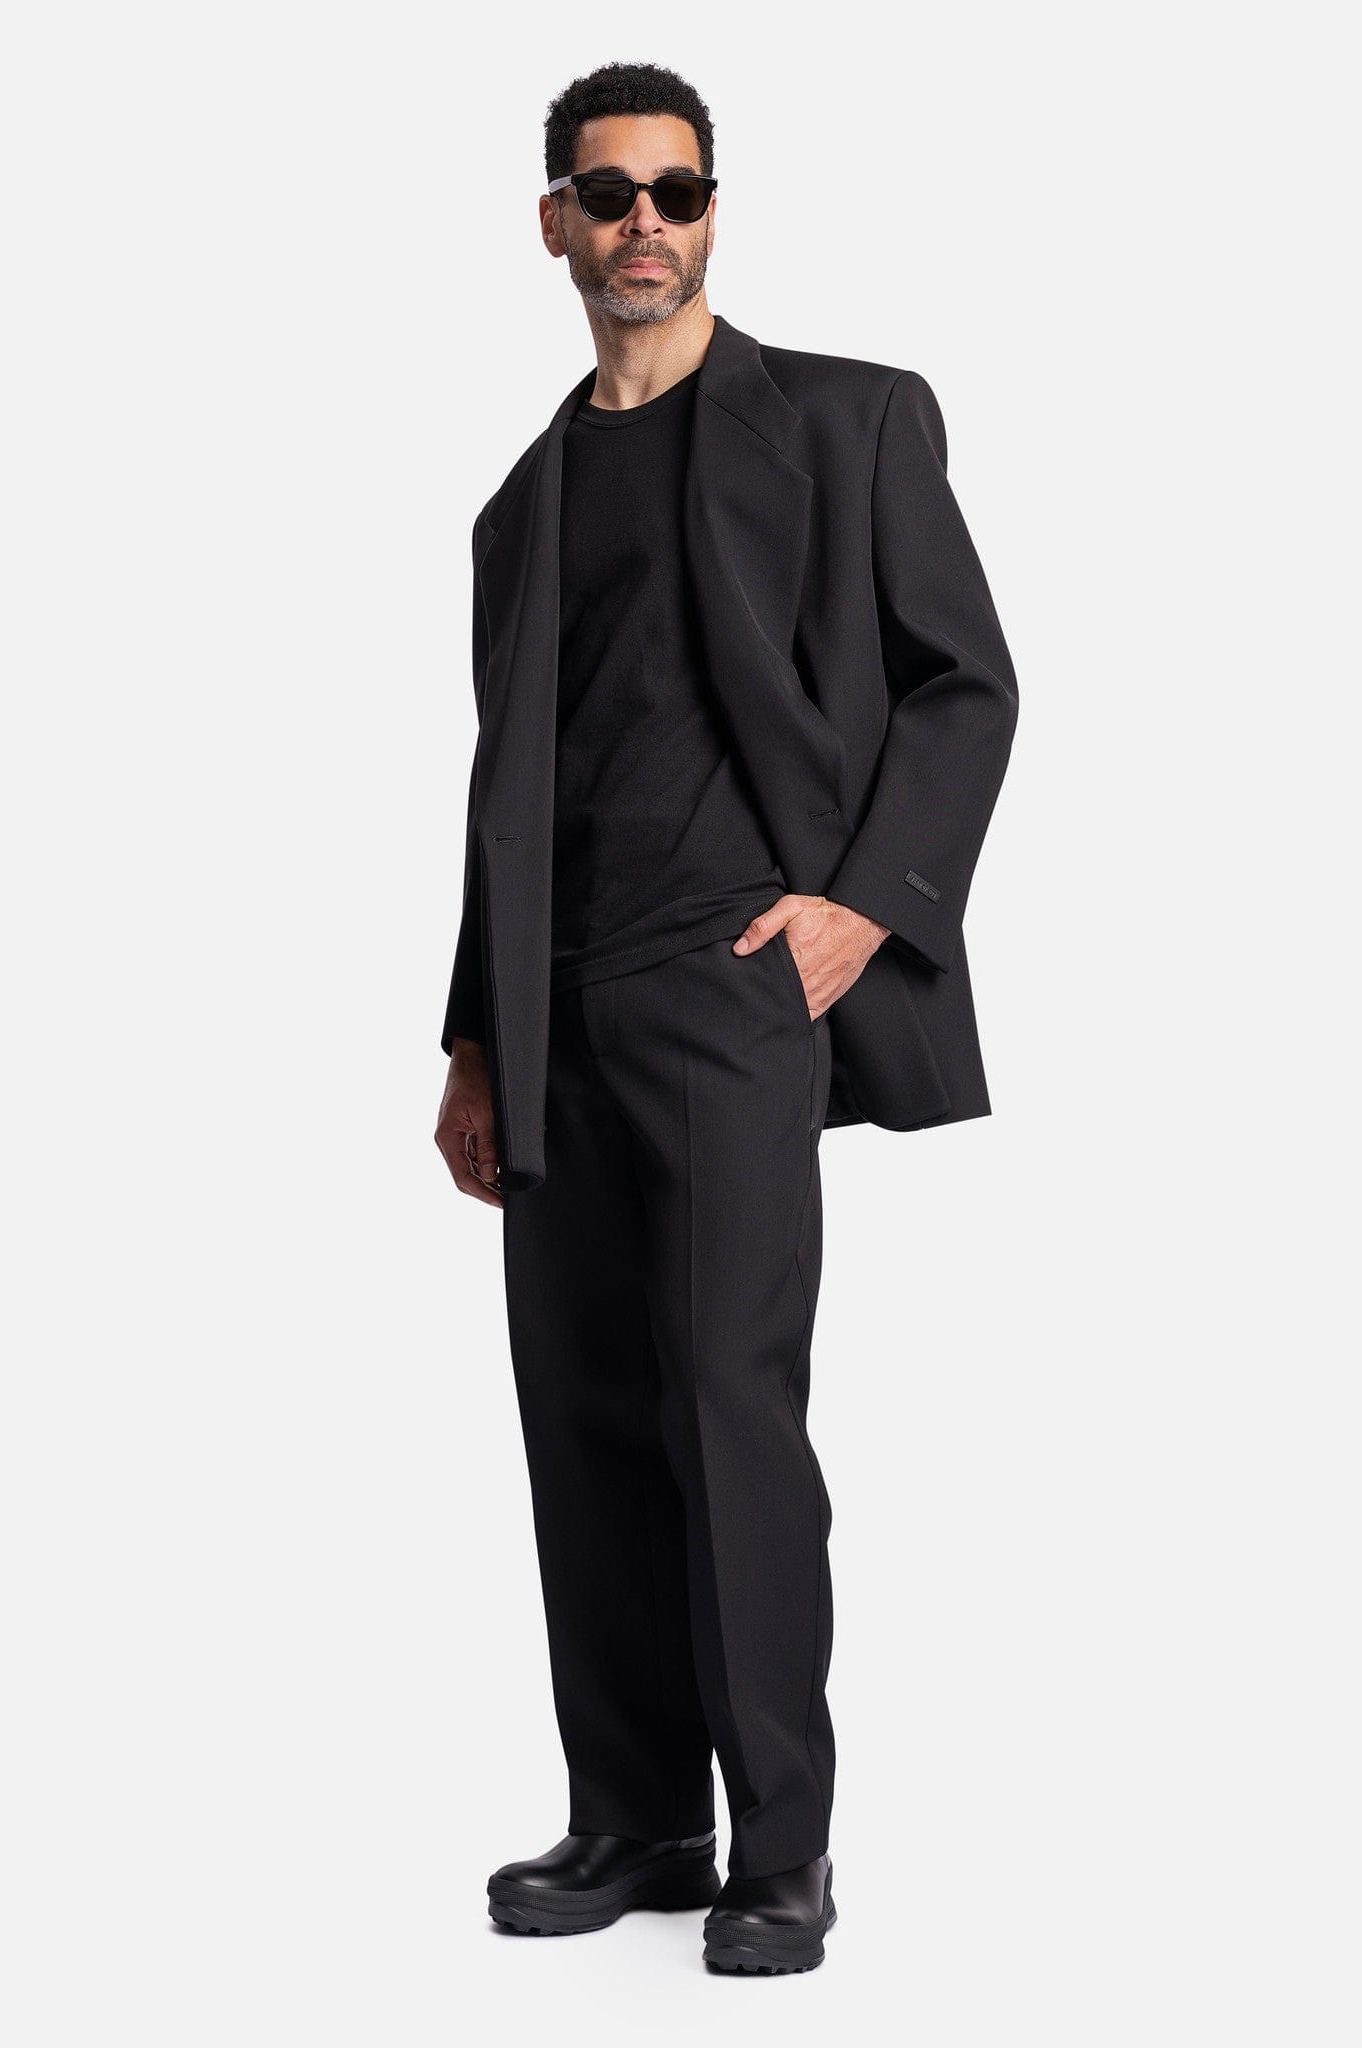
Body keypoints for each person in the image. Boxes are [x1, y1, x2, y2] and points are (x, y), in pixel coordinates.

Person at [434, 60, 1018, 1976]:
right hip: (556, 1014)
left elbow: (962, 682)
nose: (642, 224)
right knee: (579, 1416)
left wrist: (867, 907)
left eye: (674, 191)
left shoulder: (847, 420)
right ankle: (635, 1817)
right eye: (606, 193)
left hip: (733, 984)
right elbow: (507, 794)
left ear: (710, 212)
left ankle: (783, 1843)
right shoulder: (518, 507)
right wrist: (472, 1036)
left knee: (726, 1406)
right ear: (552, 222)